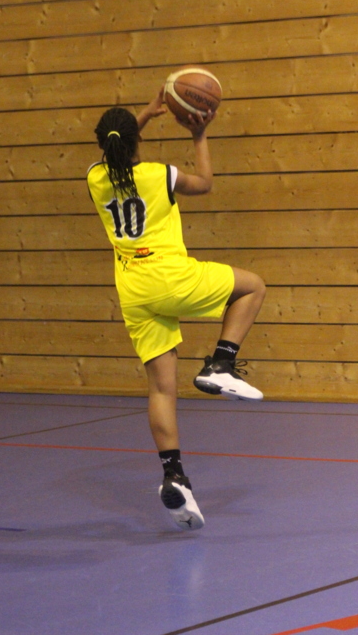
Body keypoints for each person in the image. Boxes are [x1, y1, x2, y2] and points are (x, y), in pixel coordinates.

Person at [87, 87, 266, 531]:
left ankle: (174, 475)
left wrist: (144, 114)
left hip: (133, 291)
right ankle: (220, 363)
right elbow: (204, 183)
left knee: (161, 389)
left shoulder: (94, 178)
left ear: (104, 144)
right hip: (168, 275)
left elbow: (116, 147)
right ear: (137, 142)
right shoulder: (159, 174)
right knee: (252, 288)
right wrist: (199, 135)